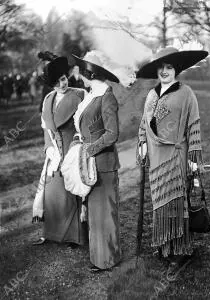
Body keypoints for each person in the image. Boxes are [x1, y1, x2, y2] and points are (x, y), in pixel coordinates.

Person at [136, 46, 208, 273]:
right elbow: (143, 125)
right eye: (161, 67)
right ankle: (165, 243)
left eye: (169, 67)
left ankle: (180, 251)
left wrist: (193, 160)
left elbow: (193, 125)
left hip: (177, 156)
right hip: (156, 160)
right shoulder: (151, 95)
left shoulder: (186, 93)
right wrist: (142, 144)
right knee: (160, 203)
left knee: (177, 202)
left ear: (176, 69)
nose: (165, 71)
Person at [72, 51, 122, 272]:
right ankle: (98, 257)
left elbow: (112, 134)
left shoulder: (106, 96)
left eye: (81, 72)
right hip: (91, 162)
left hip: (104, 163)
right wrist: (79, 141)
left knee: (105, 212)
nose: (79, 76)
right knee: (95, 212)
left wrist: (90, 149)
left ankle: (108, 259)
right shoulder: (92, 94)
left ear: (88, 73)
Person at [32, 56, 88, 247]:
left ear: (68, 77)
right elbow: (46, 128)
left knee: (73, 191)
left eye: (63, 79)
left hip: (73, 150)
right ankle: (51, 233)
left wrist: (78, 144)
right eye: (57, 82)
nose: (62, 84)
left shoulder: (80, 94)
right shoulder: (48, 99)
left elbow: (86, 124)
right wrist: (48, 148)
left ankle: (75, 236)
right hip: (55, 152)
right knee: (52, 192)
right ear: (52, 85)